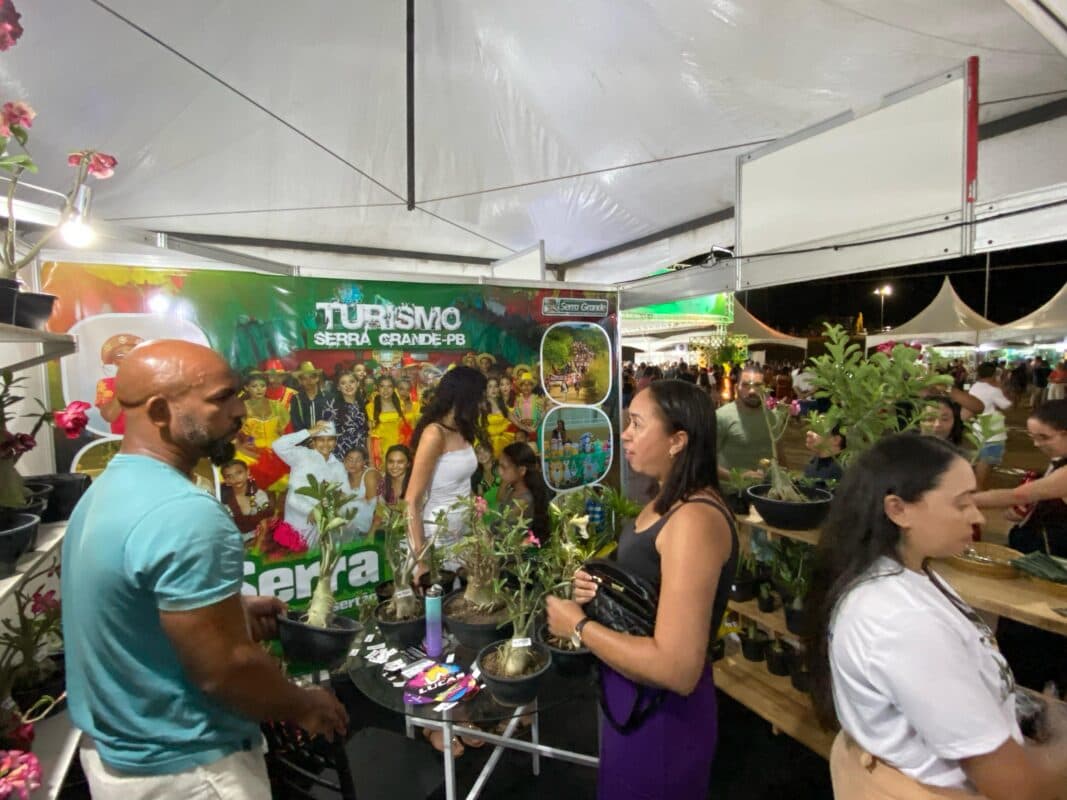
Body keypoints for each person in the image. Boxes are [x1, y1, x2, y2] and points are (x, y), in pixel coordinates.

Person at [62, 340, 347, 799]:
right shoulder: (186, 513)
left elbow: (130, 605)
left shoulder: (108, 490)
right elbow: (225, 670)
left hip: (125, 756)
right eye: (221, 398)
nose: (240, 411)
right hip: (190, 771)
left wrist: (229, 609)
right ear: (159, 412)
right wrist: (304, 703)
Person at [807, 433, 1067, 799]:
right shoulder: (902, 620)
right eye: (961, 505)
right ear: (898, 509)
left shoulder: (908, 576)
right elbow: (1015, 785)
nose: (977, 516)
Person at [546, 380, 737, 800]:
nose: (625, 433)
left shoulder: (693, 521)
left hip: (663, 718)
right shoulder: (665, 499)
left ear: (677, 440)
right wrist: (602, 592)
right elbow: (651, 590)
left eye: (636, 423)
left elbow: (677, 669)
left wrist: (579, 628)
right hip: (632, 697)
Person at [973, 400, 1067, 692]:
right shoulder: (1057, 465)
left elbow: (1016, 494)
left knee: (1036, 646)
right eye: (1033, 438)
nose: (1038, 445)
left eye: (1045, 437)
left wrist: (961, 500)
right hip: (1039, 563)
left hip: (1055, 570)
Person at [405, 366, 484, 579]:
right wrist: (421, 559)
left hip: (462, 535)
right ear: (465, 397)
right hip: (435, 537)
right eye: (478, 397)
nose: (481, 404)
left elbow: (463, 484)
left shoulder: (463, 428)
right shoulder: (434, 434)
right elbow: (411, 500)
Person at [273, 420, 349, 548]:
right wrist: (309, 432)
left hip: (322, 525)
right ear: (313, 442)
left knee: (315, 561)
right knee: (293, 561)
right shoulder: (302, 455)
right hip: (296, 520)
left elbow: (343, 492)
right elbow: (278, 445)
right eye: (321, 440)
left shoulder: (338, 466)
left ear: (335, 442)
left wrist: (329, 510)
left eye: (330, 439)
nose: (325, 444)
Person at [715, 364, 775, 480]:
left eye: (758, 385)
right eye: (746, 385)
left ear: (766, 388)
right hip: (732, 493)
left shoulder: (772, 417)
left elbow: (780, 455)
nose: (752, 391)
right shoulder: (721, 416)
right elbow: (704, 462)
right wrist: (738, 477)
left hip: (766, 492)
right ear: (736, 387)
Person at [233, 372, 291, 492]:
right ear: (246, 388)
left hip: (276, 448)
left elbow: (285, 431)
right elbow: (242, 434)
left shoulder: (276, 406)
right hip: (252, 448)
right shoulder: (242, 407)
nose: (259, 389)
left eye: (262, 386)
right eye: (254, 386)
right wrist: (249, 443)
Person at [969, 362, 1013, 491]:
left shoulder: (975, 386)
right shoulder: (994, 390)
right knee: (987, 460)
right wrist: (1002, 388)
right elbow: (1007, 406)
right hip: (992, 428)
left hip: (978, 425)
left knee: (983, 457)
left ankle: (978, 487)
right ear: (994, 374)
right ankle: (979, 489)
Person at [497, 442, 551, 544]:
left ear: (521, 470)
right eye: (499, 465)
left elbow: (503, 530)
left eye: (504, 467)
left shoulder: (523, 501)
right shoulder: (512, 489)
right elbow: (500, 499)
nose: (499, 471)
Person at [94, 333, 143, 435]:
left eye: (133, 353)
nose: (127, 358)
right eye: (120, 355)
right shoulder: (105, 384)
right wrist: (124, 384)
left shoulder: (152, 380)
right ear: (113, 361)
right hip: (121, 441)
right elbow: (109, 416)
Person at [219, 460, 276, 548]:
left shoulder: (258, 495)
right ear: (226, 480)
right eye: (229, 476)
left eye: (239, 473)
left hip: (256, 540)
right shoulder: (220, 499)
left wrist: (255, 552)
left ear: (247, 472)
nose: (235, 478)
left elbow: (263, 526)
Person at [366, 375, 411, 469]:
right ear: (377, 388)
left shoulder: (401, 405)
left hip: (400, 448)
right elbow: (369, 437)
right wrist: (371, 461)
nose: (385, 390)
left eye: (389, 386)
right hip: (381, 452)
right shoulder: (370, 407)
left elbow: (407, 430)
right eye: (382, 386)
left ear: (394, 388)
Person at [341, 446, 379, 540]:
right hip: (344, 528)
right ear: (344, 461)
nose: (353, 463)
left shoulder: (370, 475)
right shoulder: (341, 475)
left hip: (365, 530)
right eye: (350, 459)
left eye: (358, 460)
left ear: (364, 462)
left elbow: (375, 506)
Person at [289, 362, 336, 432]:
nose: (309, 381)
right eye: (304, 378)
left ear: (317, 378)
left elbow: (334, 420)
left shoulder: (329, 397)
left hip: (325, 439)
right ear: (300, 381)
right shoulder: (296, 399)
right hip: (304, 440)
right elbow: (296, 424)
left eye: (312, 377)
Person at [332, 370, 369, 461]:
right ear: (338, 387)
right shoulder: (332, 408)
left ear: (358, 384)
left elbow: (367, 434)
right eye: (343, 383)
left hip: (360, 456)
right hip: (340, 456)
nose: (348, 386)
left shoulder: (364, 405)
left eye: (351, 382)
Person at [484, 375, 516, 457]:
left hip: (508, 439)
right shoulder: (483, 406)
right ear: (486, 390)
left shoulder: (510, 403)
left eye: (496, 386)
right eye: (490, 387)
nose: (493, 389)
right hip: (490, 442)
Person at [510, 371, 544, 443]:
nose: (526, 387)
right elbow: (516, 415)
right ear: (520, 387)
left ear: (532, 386)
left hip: (535, 430)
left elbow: (541, 415)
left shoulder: (538, 399)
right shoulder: (517, 400)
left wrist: (534, 427)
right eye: (523, 385)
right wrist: (522, 424)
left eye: (529, 385)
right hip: (522, 431)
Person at [471, 441, 501, 509]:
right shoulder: (478, 476)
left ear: (491, 452)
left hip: (505, 510)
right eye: (478, 453)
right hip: (488, 513)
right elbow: (480, 498)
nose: (482, 454)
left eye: (485, 451)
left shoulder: (501, 468)